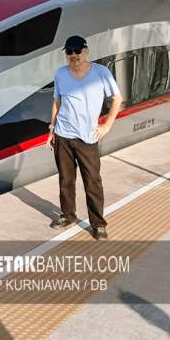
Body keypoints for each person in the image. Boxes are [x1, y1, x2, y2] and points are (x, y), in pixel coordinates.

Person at [46, 35, 123, 239]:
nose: (74, 55)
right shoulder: (61, 73)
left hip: (87, 138)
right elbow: (57, 102)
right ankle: (68, 215)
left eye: (77, 51)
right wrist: (51, 130)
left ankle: (98, 223)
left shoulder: (101, 72)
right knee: (65, 180)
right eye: (69, 51)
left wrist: (107, 125)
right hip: (63, 135)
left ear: (86, 51)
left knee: (92, 182)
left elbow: (117, 98)